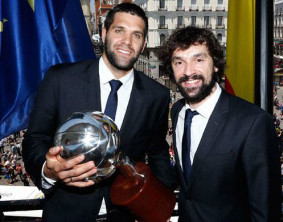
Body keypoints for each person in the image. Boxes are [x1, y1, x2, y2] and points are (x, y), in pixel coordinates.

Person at [22, 3, 177, 222]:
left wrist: (161, 203)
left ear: (143, 45)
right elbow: (35, 138)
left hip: (123, 214)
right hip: (66, 213)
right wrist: (48, 170)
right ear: (104, 34)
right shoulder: (60, 79)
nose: (127, 42)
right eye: (119, 30)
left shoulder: (156, 95)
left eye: (137, 35)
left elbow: (158, 152)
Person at [158, 26, 281, 222]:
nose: (188, 71)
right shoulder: (178, 111)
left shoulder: (253, 122)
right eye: (179, 62)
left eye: (199, 60)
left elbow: (265, 209)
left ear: (215, 64)